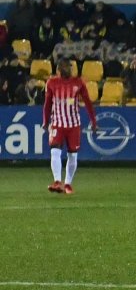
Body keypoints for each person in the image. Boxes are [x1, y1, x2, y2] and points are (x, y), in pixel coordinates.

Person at [43, 59, 97, 195]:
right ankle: (57, 181)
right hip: (57, 123)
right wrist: (46, 121)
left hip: (73, 125)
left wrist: (94, 121)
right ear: (59, 70)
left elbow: (88, 102)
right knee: (55, 151)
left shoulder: (78, 83)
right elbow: (47, 104)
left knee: (72, 155)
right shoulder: (52, 83)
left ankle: (67, 183)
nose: (67, 70)